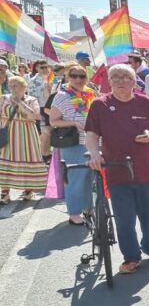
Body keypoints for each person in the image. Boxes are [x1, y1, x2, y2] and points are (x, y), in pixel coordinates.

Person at [83, 64, 149, 273]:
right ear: (109, 81)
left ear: (133, 81)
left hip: (146, 170)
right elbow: (91, 135)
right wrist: (94, 154)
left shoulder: (144, 102)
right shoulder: (100, 105)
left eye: (126, 77)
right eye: (116, 77)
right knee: (124, 218)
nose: (121, 81)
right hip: (116, 170)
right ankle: (131, 257)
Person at [48, 63, 97, 225]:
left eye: (82, 76)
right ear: (67, 77)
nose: (78, 79)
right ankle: (74, 213)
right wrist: (73, 123)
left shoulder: (91, 93)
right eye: (74, 76)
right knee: (76, 177)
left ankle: (88, 208)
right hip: (73, 142)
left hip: (93, 140)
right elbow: (53, 121)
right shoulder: (62, 95)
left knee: (91, 177)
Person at [0, 77, 47, 202]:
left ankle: (28, 190)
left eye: (16, 85)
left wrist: (20, 103)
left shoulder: (31, 100)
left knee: (28, 158)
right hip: (8, 132)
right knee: (5, 160)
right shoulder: (3, 98)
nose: (13, 88)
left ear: (24, 87)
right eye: (11, 85)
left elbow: (35, 116)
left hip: (27, 134)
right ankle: (4, 193)